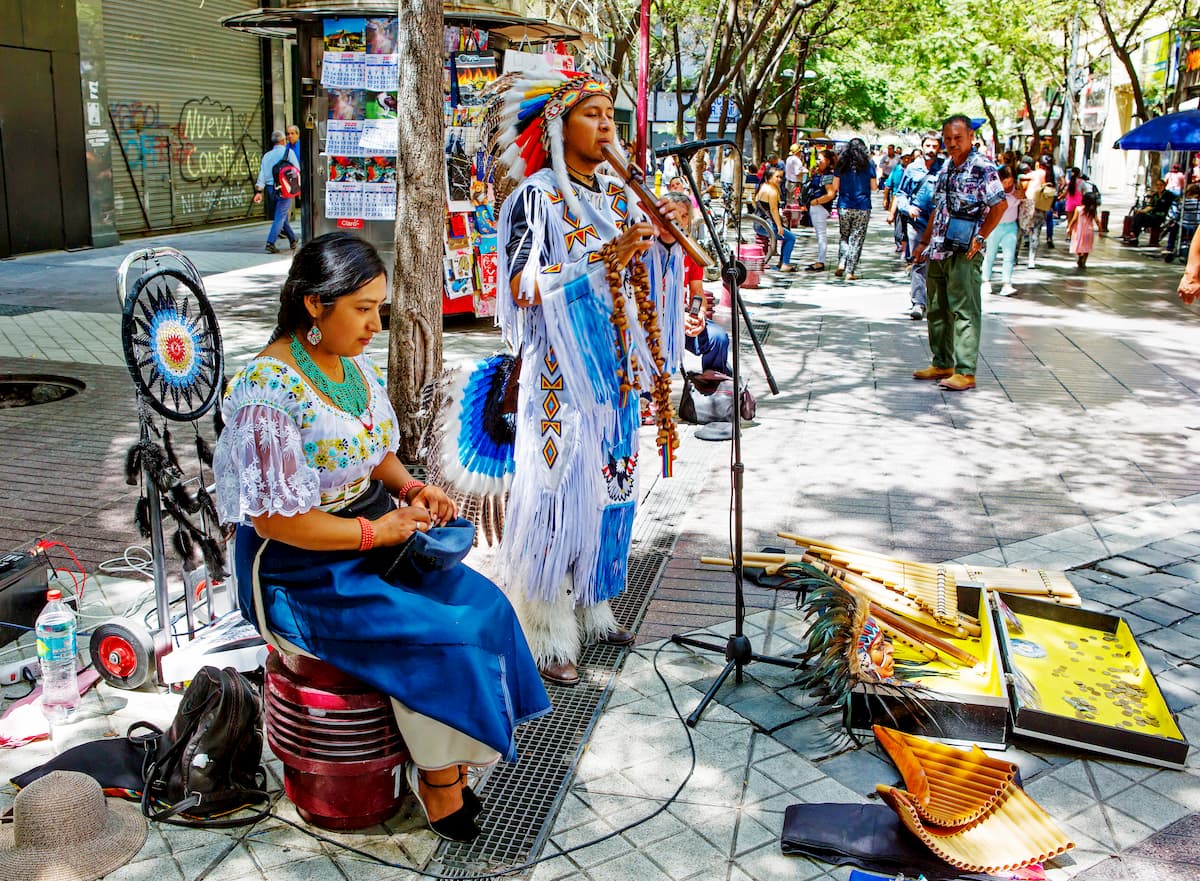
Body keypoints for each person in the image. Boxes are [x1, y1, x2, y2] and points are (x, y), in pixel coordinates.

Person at [213, 233, 550, 842]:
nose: (375, 324)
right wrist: (377, 530)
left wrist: (412, 490)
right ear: (315, 305)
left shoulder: (348, 366)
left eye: (378, 308)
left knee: (486, 606)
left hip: (367, 543)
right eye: (362, 309)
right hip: (299, 573)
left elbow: (372, 454)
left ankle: (450, 761)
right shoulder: (268, 392)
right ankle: (440, 779)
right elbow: (277, 523)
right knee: (445, 635)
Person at [488, 70, 688, 686]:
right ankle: (547, 631)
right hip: (559, 378)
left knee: (614, 488)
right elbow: (520, 289)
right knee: (556, 496)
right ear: (557, 126)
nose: (607, 125)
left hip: (618, 372)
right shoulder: (535, 199)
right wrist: (602, 259)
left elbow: (642, 271)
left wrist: (662, 240)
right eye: (592, 114)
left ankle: (594, 605)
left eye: (610, 114)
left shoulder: (619, 196)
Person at [911, 114, 1007, 392]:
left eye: (958, 138)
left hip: (965, 250)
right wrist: (923, 243)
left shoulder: (982, 167)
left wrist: (980, 237)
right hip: (939, 247)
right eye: (948, 139)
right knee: (937, 308)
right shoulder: (946, 169)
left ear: (970, 138)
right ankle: (942, 362)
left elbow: (998, 206)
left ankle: (966, 371)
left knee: (964, 310)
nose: (952, 144)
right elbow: (937, 210)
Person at [894, 135, 944, 283]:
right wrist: (908, 208)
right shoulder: (912, 168)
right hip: (918, 222)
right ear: (922, 147)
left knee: (937, 263)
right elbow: (901, 193)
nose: (931, 150)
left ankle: (932, 299)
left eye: (934, 146)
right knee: (918, 259)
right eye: (928, 146)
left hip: (939, 223)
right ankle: (918, 301)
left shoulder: (945, 167)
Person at [832, 137, 877, 280]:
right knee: (857, 238)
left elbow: (834, 187)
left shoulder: (841, 163)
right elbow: (874, 187)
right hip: (862, 206)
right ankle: (850, 271)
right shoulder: (869, 164)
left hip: (844, 205)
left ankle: (841, 262)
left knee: (844, 236)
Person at [253, 130, 299, 254]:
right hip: (284, 188)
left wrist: (258, 191)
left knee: (281, 215)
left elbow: (262, 174)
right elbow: (296, 170)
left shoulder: (266, 156)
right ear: (283, 140)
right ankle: (270, 242)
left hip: (270, 189)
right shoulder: (289, 152)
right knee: (280, 215)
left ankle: (293, 239)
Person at [981, 165, 1022, 297]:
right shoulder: (994, 191)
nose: (1008, 185)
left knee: (1009, 256)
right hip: (995, 226)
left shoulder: (1018, 190)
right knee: (990, 254)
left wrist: (1022, 196)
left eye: (1010, 182)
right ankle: (985, 281)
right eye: (1005, 182)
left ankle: (1007, 283)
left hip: (1011, 226)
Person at [798, 149, 837, 271]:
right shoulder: (822, 174)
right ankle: (820, 260)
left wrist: (817, 201)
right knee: (820, 234)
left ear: (828, 161)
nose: (818, 162)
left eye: (821, 159)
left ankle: (820, 261)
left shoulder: (827, 176)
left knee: (821, 235)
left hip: (819, 207)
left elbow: (831, 194)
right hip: (817, 207)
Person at [755, 167, 797, 272]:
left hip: (758, 223)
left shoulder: (762, 187)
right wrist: (779, 226)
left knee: (786, 235)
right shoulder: (772, 191)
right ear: (768, 178)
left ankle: (782, 262)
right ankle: (785, 264)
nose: (779, 179)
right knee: (791, 238)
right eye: (777, 177)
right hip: (767, 225)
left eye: (780, 177)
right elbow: (773, 210)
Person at [1122, 178, 1175, 246]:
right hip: (1152, 216)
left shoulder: (1169, 194)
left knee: (1140, 217)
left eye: (1161, 185)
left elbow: (1178, 199)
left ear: (1164, 185)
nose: (1159, 187)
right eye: (1157, 185)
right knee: (1139, 217)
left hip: (1160, 217)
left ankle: (1133, 235)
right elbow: (1150, 206)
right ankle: (1134, 236)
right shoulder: (1155, 195)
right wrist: (1141, 211)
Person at [1067, 191, 1102, 269]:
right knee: (1087, 247)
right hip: (1089, 231)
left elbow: (1074, 219)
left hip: (1079, 231)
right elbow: (1097, 221)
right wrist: (1100, 230)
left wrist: (1069, 227)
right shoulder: (1093, 211)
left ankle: (1080, 256)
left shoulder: (1078, 209)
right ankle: (1084, 262)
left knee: (1078, 245)